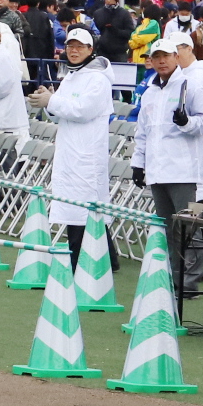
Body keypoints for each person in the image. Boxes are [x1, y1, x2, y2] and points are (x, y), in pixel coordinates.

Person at [131, 34, 203, 294]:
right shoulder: (149, 92)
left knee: (188, 228)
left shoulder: (190, 86)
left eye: (165, 56)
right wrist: (139, 163)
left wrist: (186, 123)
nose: (161, 62)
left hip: (183, 169)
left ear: (176, 57)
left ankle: (189, 281)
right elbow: (143, 132)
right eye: (156, 57)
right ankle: (172, 277)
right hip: (158, 170)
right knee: (167, 228)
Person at [41, 27, 115, 265]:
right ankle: (109, 259)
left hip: (86, 152)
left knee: (85, 208)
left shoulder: (98, 79)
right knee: (79, 206)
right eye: (70, 46)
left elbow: (82, 110)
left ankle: (81, 259)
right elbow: (60, 113)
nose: (73, 51)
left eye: (79, 47)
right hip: (70, 149)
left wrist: (52, 101)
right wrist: (47, 102)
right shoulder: (73, 75)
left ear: (90, 50)